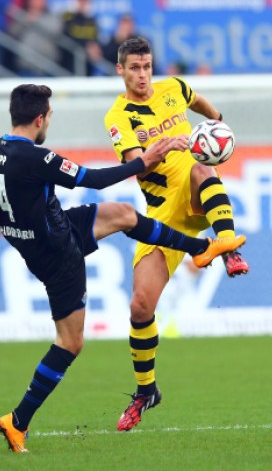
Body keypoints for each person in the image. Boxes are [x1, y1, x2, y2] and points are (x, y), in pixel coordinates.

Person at [0, 84, 245, 452]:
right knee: (70, 343)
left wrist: (19, 224)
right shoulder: (38, 157)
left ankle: (202, 249)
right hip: (59, 254)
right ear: (39, 119)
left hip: (52, 228)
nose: (49, 120)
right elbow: (93, 179)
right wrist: (142, 162)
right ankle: (18, 421)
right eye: (49, 115)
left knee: (124, 214)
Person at [104, 37, 249, 432]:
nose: (143, 74)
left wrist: (218, 122)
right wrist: (166, 145)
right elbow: (136, 168)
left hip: (194, 190)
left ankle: (227, 246)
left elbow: (198, 101)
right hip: (162, 212)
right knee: (140, 307)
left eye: (147, 66)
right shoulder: (120, 116)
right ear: (121, 70)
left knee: (203, 168)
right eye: (134, 68)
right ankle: (146, 391)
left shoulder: (173, 88)